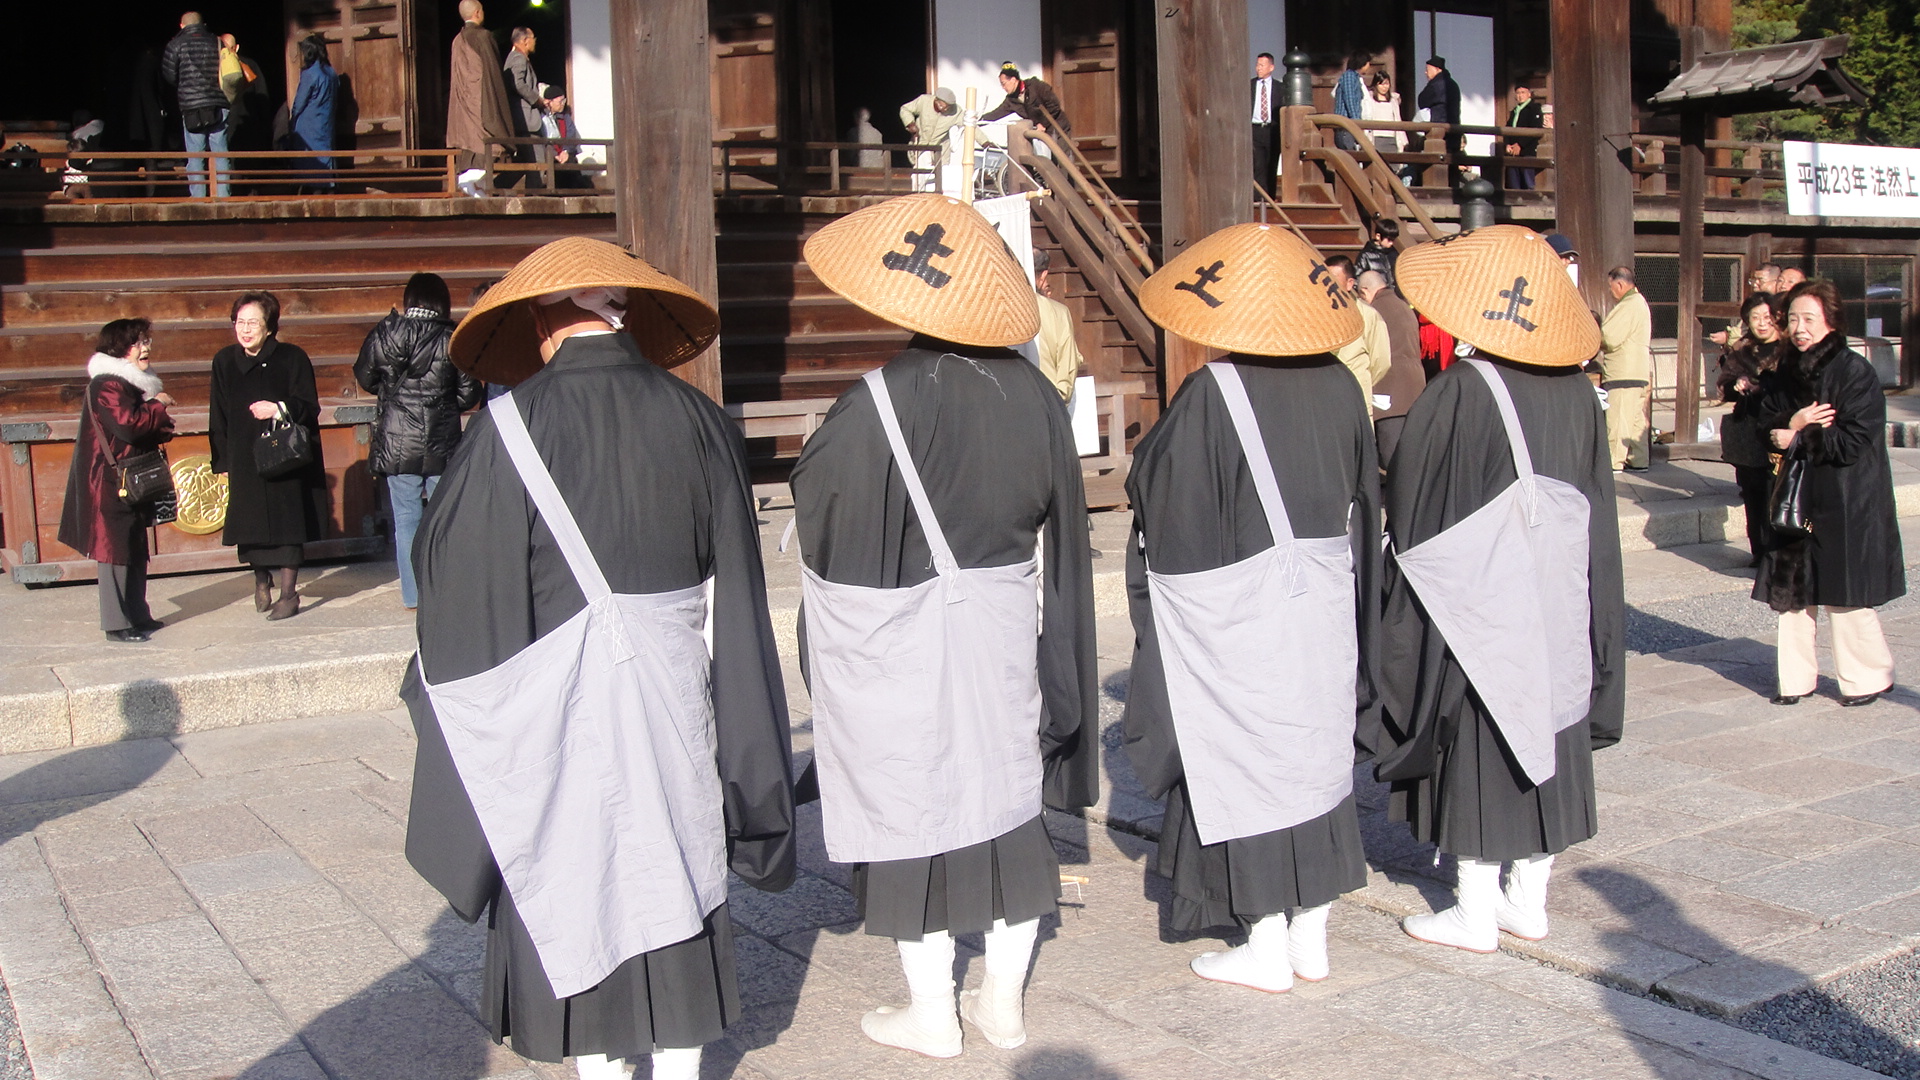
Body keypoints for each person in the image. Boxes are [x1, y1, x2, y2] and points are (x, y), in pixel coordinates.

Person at [404, 237, 796, 1080]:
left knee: (573, 873)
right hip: (676, 696)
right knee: (681, 861)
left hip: (558, 716)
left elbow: (455, 593)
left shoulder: (504, 432)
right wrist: (748, 760)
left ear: (543, 319)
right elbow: (737, 598)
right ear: (623, 312)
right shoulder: (697, 419)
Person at [789, 193, 1098, 1058]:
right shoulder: (1034, 396)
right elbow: (1061, 522)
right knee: (1006, 801)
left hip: (898, 631)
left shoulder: (875, 402)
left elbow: (823, 509)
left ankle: (932, 1012)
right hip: (1002, 626)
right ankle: (1003, 1003)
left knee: (907, 802)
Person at [1125, 222, 1380, 994]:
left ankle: (1266, 944)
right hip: (1324, 600)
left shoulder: (1215, 393)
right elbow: (1365, 500)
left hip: (1239, 611)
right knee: (1316, 753)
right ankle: (1313, 938)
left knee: (1250, 759)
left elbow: (1163, 494)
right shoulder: (1341, 386)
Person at [1371, 225, 1624, 955]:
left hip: (1482, 597)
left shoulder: (1464, 388)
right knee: (1553, 716)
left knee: (1479, 731)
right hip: (1560, 589)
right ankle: (1528, 902)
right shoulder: (1577, 391)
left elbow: (1417, 498)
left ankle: (1474, 911)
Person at [1754, 279, 1904, 708]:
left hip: (1847, 496)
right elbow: (1764, 424)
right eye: (1793, 319)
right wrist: (1791, 423)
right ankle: (1795, 679)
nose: (1799, 329)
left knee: (1844, 594)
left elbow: (1855, 440)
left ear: (1832, 322)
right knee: (1792, 595)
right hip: (1795, 495)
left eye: (1809, 319)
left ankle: (1867, 677)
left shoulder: (1855, 371)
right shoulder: (1784, 371)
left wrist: (1801, 437)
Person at [354, 273, 482, 610]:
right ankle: (445, 590)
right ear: (442, 302)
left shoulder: (386, 333)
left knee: (406, 519)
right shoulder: (452, 339)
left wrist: (392, 390)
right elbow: (469, 395)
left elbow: (365, 377)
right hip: (442, 441)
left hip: (397, 441)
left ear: (409, 299)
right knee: (444, 518)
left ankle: (413, 596)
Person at [58, 319, 177, 643]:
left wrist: (156, 412)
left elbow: (146, 427)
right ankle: (116, 623)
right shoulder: (108, 384)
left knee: (134, 546)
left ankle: (137, 615)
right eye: (137, 342)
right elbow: (129, 425)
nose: (145, 348)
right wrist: (158, 405)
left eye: (146, 341)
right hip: (109, 481)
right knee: (113, 551)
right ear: (119, 348)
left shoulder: (131, 383)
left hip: (129, 475)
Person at [209, 291, 325, 620]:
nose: (245, 330)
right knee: (250, 526)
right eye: (240, 322)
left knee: (288, 527)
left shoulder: (292, 358)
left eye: (253, 323)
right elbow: (218, 414)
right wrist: (222, 460)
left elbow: (309, 405)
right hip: (244, 456)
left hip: (285, 456)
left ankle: (289, 595)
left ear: (270, 327)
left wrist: (278, 409)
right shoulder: (224, 361)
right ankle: (261, 579)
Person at [1716, 293, 1785, 565]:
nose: (1762, 323)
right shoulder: (1743, 351)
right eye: (1755, 318)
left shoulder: (1788, 350)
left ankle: (1778, 552)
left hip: (1779, 430)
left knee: (1775, 493)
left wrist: (1763, 386)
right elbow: (1724, 386)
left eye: (1767, 317)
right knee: (1753, 494)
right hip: (1748, 431)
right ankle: (1759, 551)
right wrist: (1738, 385)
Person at [448, 0, 514, 196]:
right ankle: (469, 180)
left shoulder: (457, 40)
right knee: (490, 144)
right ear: (477, 13)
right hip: (482, 101)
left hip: (464, 103)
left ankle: (476, 187)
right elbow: (493, 73)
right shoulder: (483, 37)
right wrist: (501, 102)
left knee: (470, 141)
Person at [162, 11, 229, 198]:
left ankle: (198, 198)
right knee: (221, 152)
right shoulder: (217, 42)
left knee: (195, 154)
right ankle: (223, 196)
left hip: (191, 105)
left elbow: (169, 76)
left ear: (182, 26)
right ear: (203, 24)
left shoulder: (175, 45)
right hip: (218, 101)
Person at [1362, 269, 1425, 466]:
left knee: (1392, 457)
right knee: (1412, 452)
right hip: (1415, 386)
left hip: (1389, 391)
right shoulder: (1403, 305)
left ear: (1364, 291)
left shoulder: (1375, 311)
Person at [1598, 266, 1652, 471]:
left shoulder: (1629, 304)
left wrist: (1596, 338)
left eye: (1611, 286)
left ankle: (1614, 461)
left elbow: (1610, 337)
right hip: (1638, 371)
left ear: (1619, 284)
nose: (1610, 291)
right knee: (1636, 421)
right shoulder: (1640, 303)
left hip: (1623, 372)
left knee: (1619, 420)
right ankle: (1638, 460)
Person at [1326, 255, 1390, 406]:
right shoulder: (1316, 315)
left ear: (1349, 283)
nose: (1327, 284)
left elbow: (1381, 361)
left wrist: (1361, 381)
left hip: (1355, 395)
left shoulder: (1368, 315)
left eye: (1333, 279)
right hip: (1324, 395)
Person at [287, 35, 338, 190]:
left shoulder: (310, 74)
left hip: (309, 123)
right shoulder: (331, 72)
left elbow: (299, 102)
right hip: (326, 120)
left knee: (310, 157)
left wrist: (292, 119)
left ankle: (315, 187)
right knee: (326, 152)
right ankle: (329, 185)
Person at [1031, 250, 1082, 403]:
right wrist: (1058, 402)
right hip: (1047, 402)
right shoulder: (1058, 313)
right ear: (1043, 276)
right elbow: (1067, 368)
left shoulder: (994, 307)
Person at [983, 63, 1071, 142]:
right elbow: (996, 114)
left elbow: (1054, 106)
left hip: (1058, 127)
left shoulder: (1036, 86)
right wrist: (979, 120)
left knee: (1061, 154)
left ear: (1013, 79)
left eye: (1003, 83)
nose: (1003, 87)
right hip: (1042, 133)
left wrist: (1043, 123)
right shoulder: (1011, 100)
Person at [503, 27, 547, 187]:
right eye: (533, 38)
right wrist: (537, 100)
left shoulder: (513, 57)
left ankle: (496, 188)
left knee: (522, 162)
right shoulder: (518, 58)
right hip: (526, 120)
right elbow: (518, 84)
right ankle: (535, 197)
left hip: (521, 119)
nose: (535, 41)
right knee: (537, 163)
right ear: (525, 41)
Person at [900, 87, 960, 192]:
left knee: (941, 176)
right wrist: (910, 124)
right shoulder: (924, 101)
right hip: (921, 144)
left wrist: (984, 142)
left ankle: (937, 198)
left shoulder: (956, 111)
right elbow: (905, 109)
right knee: (920, 174)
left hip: (941, 148)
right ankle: (918, 195)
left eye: (948, 107)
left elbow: (970, 125)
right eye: (942, 105)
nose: (945, 109)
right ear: (936, 100)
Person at [1415, 56, 1462, 180]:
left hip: (1438, 132)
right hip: (1454, 131)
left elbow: (1422, 100)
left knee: (1437, 168)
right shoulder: (1453, 84)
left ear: (1437, 69)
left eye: (1428, 69)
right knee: (1452, 170)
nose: (1425, 73)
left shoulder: (1436, 85)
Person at [1362, 72, 1407, 170]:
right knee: (1377, 167)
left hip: (1391, 138)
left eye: (1386, 83)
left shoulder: (1393, 100)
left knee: (1393, 167)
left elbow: (1397, 118)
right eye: (1381, 84)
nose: (1384, 87)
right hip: (1376, 137)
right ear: (1376, 84)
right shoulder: (1369, 99)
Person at [1251, 52, 1281, 195]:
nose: (1258, 68)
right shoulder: (1250, 85)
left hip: (1272, 130)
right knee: (1258, 165)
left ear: (1271, 67)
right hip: (1255, 129)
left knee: (1271, 163)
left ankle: (1270, 196)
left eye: (1262, 65)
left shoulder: (1279, 87)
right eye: (1257, 65)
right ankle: (1258, 198)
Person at [1504, 85, 1544, 190]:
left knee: (1528, 181)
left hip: (1527, 150)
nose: (1520, 95)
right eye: (1518, 93)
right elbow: (1507, 129)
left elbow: (1535, 129)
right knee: (1514, 182)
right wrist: (1507, 144)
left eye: (1523, 92)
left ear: (1529, 94)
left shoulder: (1534, 109)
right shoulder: (1514, 111)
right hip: (1513, 151)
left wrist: (1520, 144)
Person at [1333, 53, 1371, 152]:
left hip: (1350, 126)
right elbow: (1350, 100)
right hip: (1346, 126)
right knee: (1349, 156)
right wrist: (1357, 123)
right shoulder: (1349, 76)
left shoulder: (1355, 77)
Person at [1357, 216, 1399, 286]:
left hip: (1393, 291)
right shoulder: (1366, 255)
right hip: (1375, 290)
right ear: (1378, 236)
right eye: (1389, 240)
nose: (1391, 243)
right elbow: (1358, 278)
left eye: (1393, 240)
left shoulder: (1394, 254)